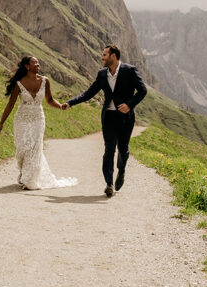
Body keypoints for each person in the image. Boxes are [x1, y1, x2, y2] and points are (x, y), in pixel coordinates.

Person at [62, 44, 147, 197]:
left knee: (123, 149)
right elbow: (89, 93)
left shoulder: (129, 70)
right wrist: (70, 102)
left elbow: (143, 91)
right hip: (108, 117)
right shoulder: (102, 74)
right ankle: (109, 183)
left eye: (104, 55)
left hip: (126, 118)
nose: (102, 58)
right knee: (109, 150)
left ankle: (121, 171)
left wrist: (129, 105)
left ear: (113, 56)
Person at [0, 56, 78, 190]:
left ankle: (29, 179)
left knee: (35, 148)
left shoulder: (45, 81)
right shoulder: (18, 83)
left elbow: (50, 100)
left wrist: (60, 106)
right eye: (35, 63)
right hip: (22, 119)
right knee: (22, 148)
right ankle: (24, 174)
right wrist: (1, 123)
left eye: (38, 62)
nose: (38, 64)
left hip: (38, 119)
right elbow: (11, 104)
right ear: (27, 66)